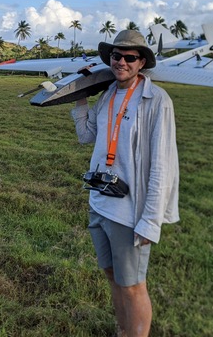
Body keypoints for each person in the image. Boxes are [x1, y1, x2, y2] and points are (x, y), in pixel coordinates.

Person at [71, 30, 180, 337]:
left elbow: (162, 166)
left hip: (129, 212)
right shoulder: (107, 95)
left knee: (132, 286)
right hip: (100, 201)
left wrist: (150, 221)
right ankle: (123, 330)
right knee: (111, 275)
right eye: (116, 56)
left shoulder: (157, 101)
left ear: (141, 62)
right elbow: (86, 135)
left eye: (129, 57)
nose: (121, 62)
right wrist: (78, 93)